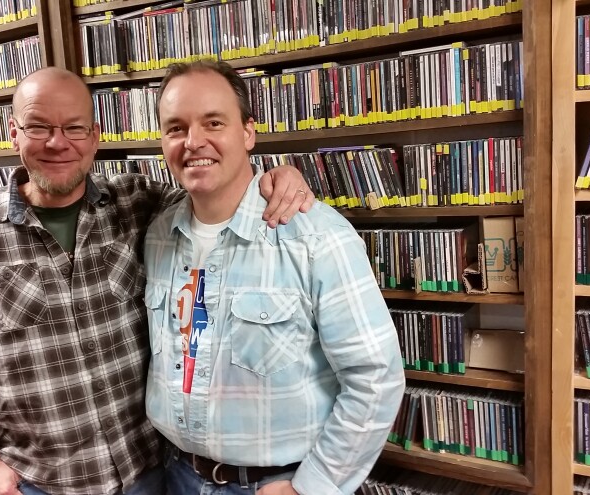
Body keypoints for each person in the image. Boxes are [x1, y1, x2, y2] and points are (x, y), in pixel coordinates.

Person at [0, 67, 314, 495]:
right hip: (41, 482)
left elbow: (217, 190)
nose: (58, 143)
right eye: (39, 127)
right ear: (14, 132)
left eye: (74, 128)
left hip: (148, 473)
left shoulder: (139, 205)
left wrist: (274, 178)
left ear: (95, 136)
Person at [144, 60, 405, 495]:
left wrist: (314, 487)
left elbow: (376, 376)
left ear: (248, 132)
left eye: (213, 122)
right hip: (175, 474)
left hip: (275, 485)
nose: (193, 141)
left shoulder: (316, 237)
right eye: (175, 127)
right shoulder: (156, 234)